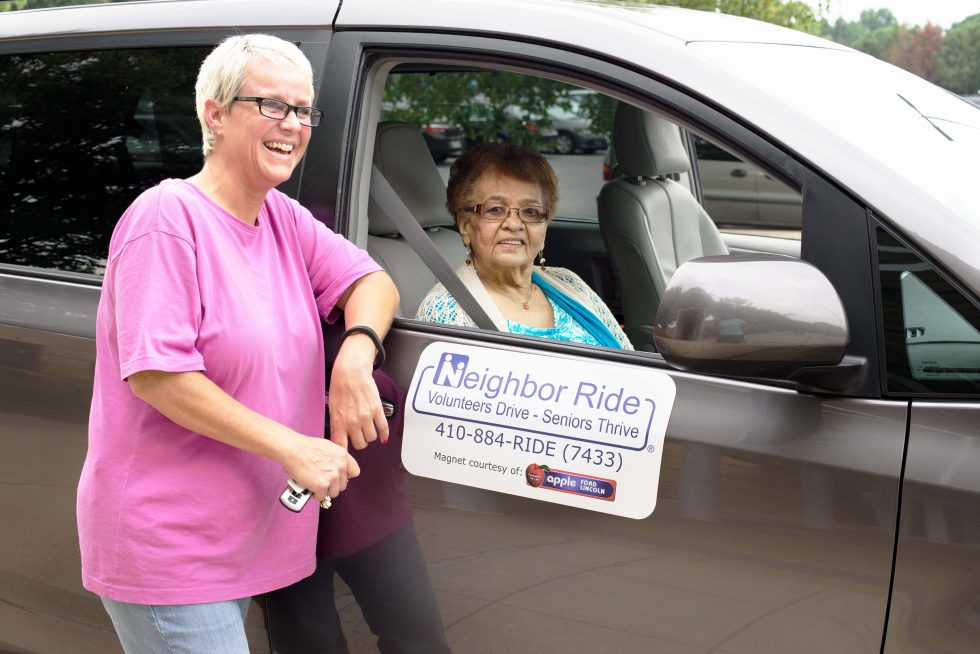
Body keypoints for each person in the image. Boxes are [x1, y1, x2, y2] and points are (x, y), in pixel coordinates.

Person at [76, 34, 400, 653]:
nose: (293, 125)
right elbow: (160, 376)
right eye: (272, 105)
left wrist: (355, 356)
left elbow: (371, 281)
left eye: (304, 110)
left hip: (243, 537)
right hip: (170, 549)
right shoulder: (166, 217)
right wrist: (294, 448)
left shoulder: (281, 218)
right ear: (215, 113)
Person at [417, 142, 632, 350]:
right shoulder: (444, 310)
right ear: (465, 225)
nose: (513, 224)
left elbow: (631, 360)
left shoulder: (570, 283)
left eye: (530, 211)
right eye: (495, 209)